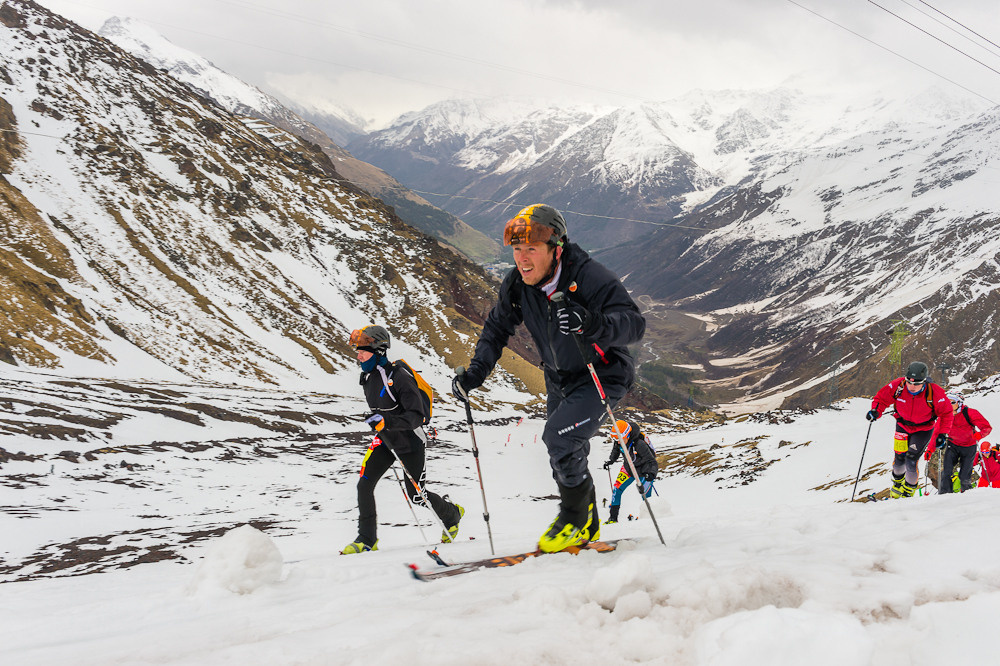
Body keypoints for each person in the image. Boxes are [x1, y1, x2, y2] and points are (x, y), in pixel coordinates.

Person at [451, 204, 645, 553]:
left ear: (556, 249)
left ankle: (571, 520)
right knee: (565, 454)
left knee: (559, 438)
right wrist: (476, 372)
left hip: (601, 374)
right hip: (559, 378)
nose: (522, 259)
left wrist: (591, 323)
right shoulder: (517, 283)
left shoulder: (589, 276)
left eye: (531, 249)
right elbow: (496, 329)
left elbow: (633, 323)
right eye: (516, 249)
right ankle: (587, 523)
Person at [342, 324, 463, 554]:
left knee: (418, 496)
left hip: (410, 443)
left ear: (379, 351)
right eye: (357, 351)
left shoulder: (399, 376)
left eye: (362, 351)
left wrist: (386, 421)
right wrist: (377, 420)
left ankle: (453, 514)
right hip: (386, 441)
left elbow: (416, 417)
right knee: (364, 485)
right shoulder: (367, 378)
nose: (358, 356)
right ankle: (366, 540)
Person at [867, 361, 953, 499]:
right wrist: (876, 411)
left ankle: (908, 493)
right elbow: (881, 399)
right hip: (902, 426)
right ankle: (896, 486)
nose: (912, 386)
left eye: (917, 383)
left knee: (911, 460)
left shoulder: (934, 392)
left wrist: (943, 433)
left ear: (924, 382)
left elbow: (946, 413)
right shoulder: (898, 386)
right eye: (909, 382)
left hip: (923, 430)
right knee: (899, 458)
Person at [926, 394, 992, 493]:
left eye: (953, 402)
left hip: (969, 447)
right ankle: (944, 496)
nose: (949, 405)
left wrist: (979, 435)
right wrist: (930, 450)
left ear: (959, 403)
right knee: (946, 472)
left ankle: (966, 496)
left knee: (964, 476)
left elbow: (987, 427)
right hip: (953, 445)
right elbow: (936, 434)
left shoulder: (970, 413)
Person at [602, 419, 658, 524]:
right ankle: (613, 519)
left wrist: (651, 473)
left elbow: (652, 461)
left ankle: (648, 519)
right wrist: (611, 460)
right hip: (628, 469)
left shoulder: (639, 444)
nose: (617, 441)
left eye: (619, 438)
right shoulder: (619, 440)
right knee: (616, 490)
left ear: (627, 435)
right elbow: (616, 450)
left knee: (646, 496)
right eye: (615, 438)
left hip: (643, 471)